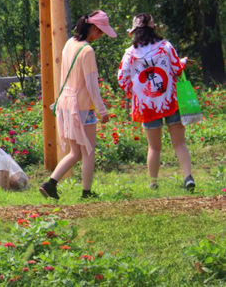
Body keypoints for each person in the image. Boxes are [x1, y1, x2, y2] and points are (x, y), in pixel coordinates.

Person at [39, 10, 116, 200]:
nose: (100, 37)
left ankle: (50, 184)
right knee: (88, 151)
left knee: (75, 152)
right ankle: (86, 192)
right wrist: (102, 110)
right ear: (94, 28)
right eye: (101, 32)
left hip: (66, 103)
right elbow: (91, 85)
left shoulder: (69, 44)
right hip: (82, 107)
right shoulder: (87, 51)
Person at [117, 13, 194, 191]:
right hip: (170, 101)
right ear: (154, 28)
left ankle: (153, 182)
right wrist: (183, 62)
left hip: (147, 106)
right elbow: (176, 68)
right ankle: (188, 176)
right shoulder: (166, 47)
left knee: (154, 147)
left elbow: (122, 79)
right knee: (179, 143)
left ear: (135, 32)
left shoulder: (130, 53)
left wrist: (135, 93)